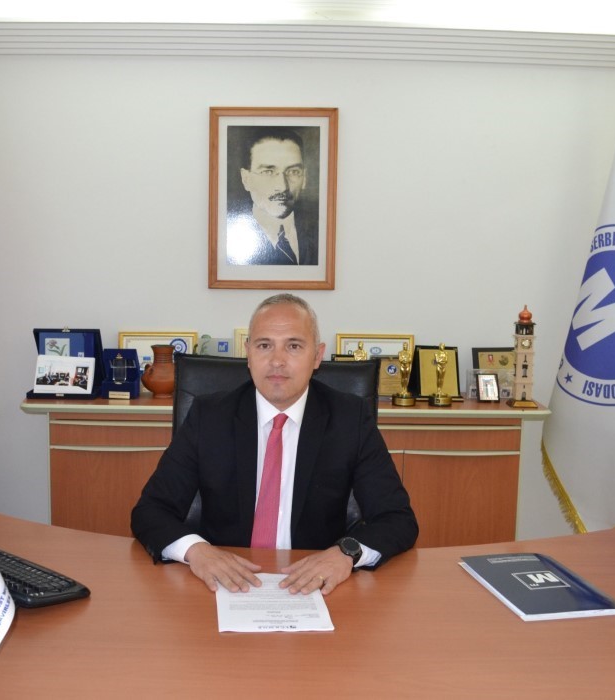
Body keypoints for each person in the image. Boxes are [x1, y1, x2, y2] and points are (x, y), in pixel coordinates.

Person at [131, 294, 418, 596]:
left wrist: (346, 553)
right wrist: (197, 551)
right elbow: (151, 510)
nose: (277, 361)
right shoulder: (209, 416)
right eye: (264, 345)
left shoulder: (349, 418)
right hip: (224, 585)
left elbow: (397, 519)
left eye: (293, 346)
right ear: (248, 354)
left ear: (317, 356)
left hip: (316, 588)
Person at [225, 127, 319, 266]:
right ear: (246, 179)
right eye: (268, 172)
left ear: (304, 178)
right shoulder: (225, 237)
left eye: (293, 171)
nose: (282, 186)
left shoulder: (322, 231)